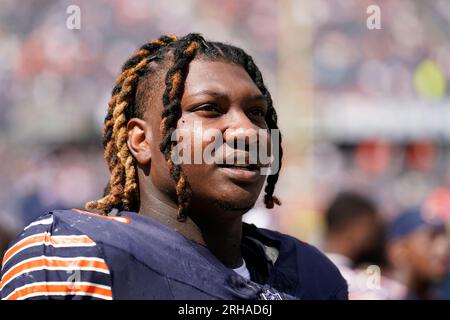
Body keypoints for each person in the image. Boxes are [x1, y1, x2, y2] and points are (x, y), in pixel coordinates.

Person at [0, 33, 347, 300]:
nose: (246, 130)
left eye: (256, 112)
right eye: (210, 108)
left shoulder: (311, 275)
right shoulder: (75, 256)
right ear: (141, 140)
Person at [323, 192, 386, 299]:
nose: (375, 235)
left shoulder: (303, 270)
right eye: (370, 225)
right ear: (353, 228)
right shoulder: (363, 284)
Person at [384, 208, 449, 299]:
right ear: (399, 250)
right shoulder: (372, 293)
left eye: (444, 238)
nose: (443, 250)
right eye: (432, 238)